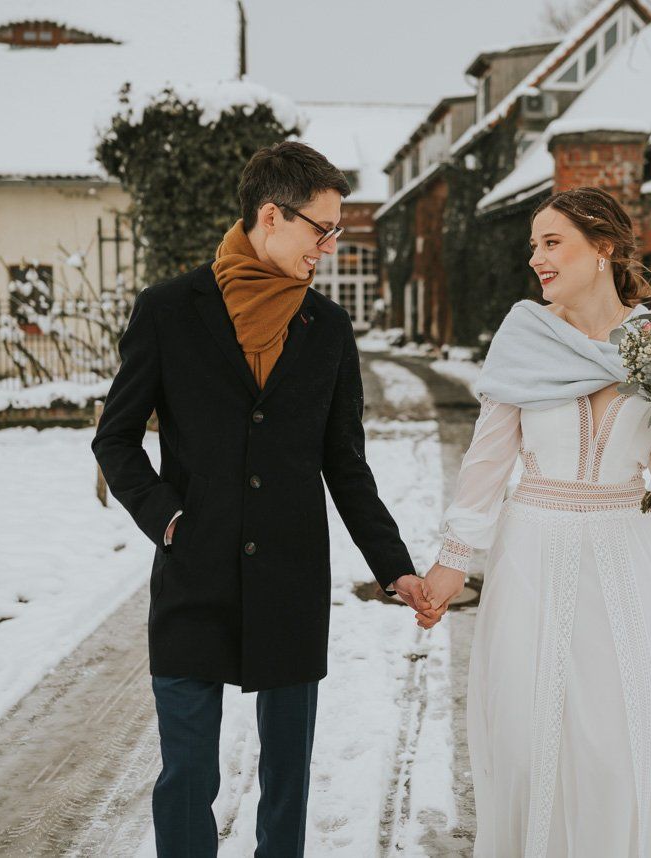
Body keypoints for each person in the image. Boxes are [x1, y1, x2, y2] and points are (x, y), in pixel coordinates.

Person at [92, 141, 441, 858]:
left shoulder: (329, 330)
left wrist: (395, 566)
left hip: (290, 576)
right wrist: (166, 517)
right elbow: (116, 440)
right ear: (272, 216)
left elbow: (345, 465)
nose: (331, 246)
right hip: (193, 572)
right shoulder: (168, 311)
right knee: (187, 771)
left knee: (287, 776)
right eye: (323, 229)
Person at [421, 187, 651, 857]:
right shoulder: (524, 335)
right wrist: (451, 562)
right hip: (534, 558)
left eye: (551, 242)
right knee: (529, 743)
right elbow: (487, 464)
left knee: (616, 748)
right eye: (534, 246)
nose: (537, 259)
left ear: (602, 246)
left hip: (626, 558)